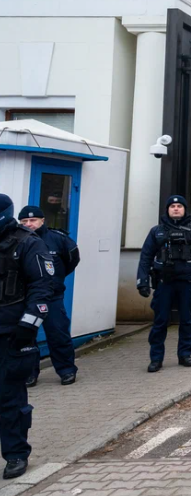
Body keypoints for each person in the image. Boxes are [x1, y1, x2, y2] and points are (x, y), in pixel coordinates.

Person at [0, 194, 55, 480]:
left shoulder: (27, 243)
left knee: (9, 397)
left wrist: (29, 324)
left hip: (11, 333)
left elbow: (42, 286)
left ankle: (16, 454)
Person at [137, 195, 191, 372]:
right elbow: (146, 256)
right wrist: (142, 281)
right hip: (164, 283)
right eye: (172, 206)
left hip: (186, 283)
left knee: (186, 321)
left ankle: (185, 354)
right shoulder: (157, 231)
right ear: (167, 210)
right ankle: (156, 358)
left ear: (185, 209)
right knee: (160, 321)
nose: (176, 209)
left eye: (179, 206)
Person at [18, 205, 79, 386]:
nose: (29, 224)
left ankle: (66, 370)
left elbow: (71, 260)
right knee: (26, 337)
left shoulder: (57, 239)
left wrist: (55, 280)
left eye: (33, 220)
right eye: (25, 221)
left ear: (42, 220)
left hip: (51, 297)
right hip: (24, 298)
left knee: (58, 334)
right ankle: (30, 373)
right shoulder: (16, 240)